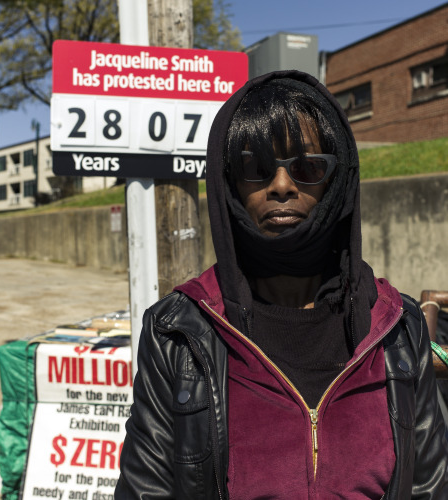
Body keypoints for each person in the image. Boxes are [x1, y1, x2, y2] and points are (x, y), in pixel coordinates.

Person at [115, 70, 448, 499]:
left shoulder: (399, 327)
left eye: (308, 167)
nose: (282, 186)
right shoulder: (178, 332)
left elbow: (430, 487)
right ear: (228, 183)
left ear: (337, 181)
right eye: (256, 168)